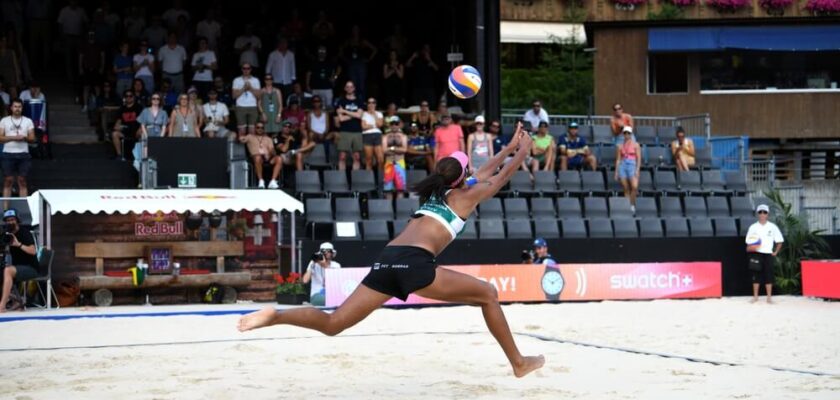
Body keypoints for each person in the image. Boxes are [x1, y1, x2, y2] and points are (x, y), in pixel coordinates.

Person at [238, 123, 545, 378]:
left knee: (334, 324)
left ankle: (276, 316)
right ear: (464, 178)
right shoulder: (466, 195)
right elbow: (500, 176)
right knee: (489, 294)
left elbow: (487, 169)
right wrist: (524, 149)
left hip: (387, 259)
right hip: (414, 262)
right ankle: (518, 363)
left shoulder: (437, 195)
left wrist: (508, 148)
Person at [0, 209, 39, 312]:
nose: (10, 222)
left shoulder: (24, 233)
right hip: (18, 268)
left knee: (8, 270)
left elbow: (33, 251)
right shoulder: (7, 234)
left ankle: (2, 306)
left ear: (17, 220)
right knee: (4, 270)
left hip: (31, 268)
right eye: (7, 220)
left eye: (12, 219)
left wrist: (19, 245)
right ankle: (17, 301)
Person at [746, 204, 784, 304]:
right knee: (755, 275)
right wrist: (753, 246)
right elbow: (748, 242)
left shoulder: (773, 227)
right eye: (760, 212)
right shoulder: (753, 227)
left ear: (768, 214)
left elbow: (779, 241)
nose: (762, 214)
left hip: (768, 254)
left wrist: (775, 252)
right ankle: (755, 297)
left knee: (769, 275)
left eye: (764, 212)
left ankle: (769, 298)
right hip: (756, 254)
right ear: (757, 214)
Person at [0, 99, 35, 200]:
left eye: (19, 107)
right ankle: (5, 210)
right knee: (8, 180)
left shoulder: (28, 121)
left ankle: (23, 208)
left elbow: (32, 138)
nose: (17, 109)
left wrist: (24, 138)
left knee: (22, 180)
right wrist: (14, 138)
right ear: (11, 108)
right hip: (8, 154)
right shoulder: (4, 120)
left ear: (22, 108)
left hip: (23, 154)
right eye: (15, 106)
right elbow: (0, 138)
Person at [240, 122, 281, 189]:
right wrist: (239, 136)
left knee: (279, 158)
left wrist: (269, 153)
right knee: (258, 157)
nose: (260, 129)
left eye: (262, 128)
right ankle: (261, 181)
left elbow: (272, 151)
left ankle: (273, 181)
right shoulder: (250, 136)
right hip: (255, 158)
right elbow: (241, 140)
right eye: (258, 127)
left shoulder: (268, 138)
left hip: (267, 157)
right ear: (255, 128)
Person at [334, 80, 364, 171]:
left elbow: (360, 115)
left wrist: (345, 111)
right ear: (345, 88)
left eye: (351, 87)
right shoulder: (341, 101)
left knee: (357, 156)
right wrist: (354, 114)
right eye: (347, 87)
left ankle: (355, 180)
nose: (349, 88)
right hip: (345, 131)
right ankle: (342, 180)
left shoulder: (359, 101)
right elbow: (341, 119)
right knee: (342, 156)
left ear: (354, 88)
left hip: (357, 131)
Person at [301, 242, 341, 307]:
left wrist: (324, 265)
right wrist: (312, 265)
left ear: (332, 253)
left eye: (328, 251)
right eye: (324, 251)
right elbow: (305, 280)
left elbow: (336, 280)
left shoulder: (336, 265)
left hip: (332, 293)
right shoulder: (314, 264)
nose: (326, 253)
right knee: (327, 300)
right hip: (317, 294)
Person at [111, 90, 143, 159]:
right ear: (124, 98)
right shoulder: (121, 109)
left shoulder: (138, 107)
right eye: (126, 96)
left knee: (142, 132)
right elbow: (117, 123)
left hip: (136, 130)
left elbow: (143, 121)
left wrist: (140, 129)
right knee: (114, 134)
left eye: (130, 96)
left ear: (133, 97)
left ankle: (142, 156)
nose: (128, 97)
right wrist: (118, 127)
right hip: (126, 130)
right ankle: (119, 155)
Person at [614, 127, 641, 208]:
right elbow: (618, 159)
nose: (627, 135)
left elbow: (638, 158)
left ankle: (632, 204)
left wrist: (637, 170)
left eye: (628, 133)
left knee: (634, 186)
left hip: (632, 165)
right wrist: (616, 172)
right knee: (626, 188)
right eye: (625, 133)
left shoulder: (636, 145)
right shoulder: (619, 146)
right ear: (623, 134)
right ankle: (627, 207)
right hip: (623, 165)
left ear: (631, 134)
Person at [233, 63, 261, 138]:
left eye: (248, 68)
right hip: (240, 107)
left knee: (252, 131)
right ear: (242, 69)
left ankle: (251, 149)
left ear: (250, 69)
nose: (246, 70)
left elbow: (259, 96)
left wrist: (251, 88)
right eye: (244, 68)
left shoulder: (256, 80)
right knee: (242, 131)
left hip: (252, 106)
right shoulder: (237, 80)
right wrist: (243, 89)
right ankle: (242, 149)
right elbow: (234, 96)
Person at [382, 116, 407, 199]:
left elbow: (404, 150)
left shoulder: (403, 136)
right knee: (387, 189)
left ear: (399, 125)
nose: (394, 126)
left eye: (396, 124)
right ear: (390, 125)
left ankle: (401, 210)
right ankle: (388, 210)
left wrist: (391, 148)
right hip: (388, 163)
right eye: (392, 124)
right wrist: (397, 149)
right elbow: (384, 150)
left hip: (400, 163)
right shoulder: (385, 136)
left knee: (400, 189)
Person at [361, 97, 384, 172]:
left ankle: (380, 179)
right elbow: (363, 126)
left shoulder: (379, 113)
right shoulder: (364, 113)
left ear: (375, 104)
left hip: (377, 135)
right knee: (369, 159)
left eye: (373, 102)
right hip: (367, 135)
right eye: (369, 103)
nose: (371, 104)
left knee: (380, 159)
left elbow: (380, 124)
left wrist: (374, 114)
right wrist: (374, 125)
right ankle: (369, 180)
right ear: (367, 104)